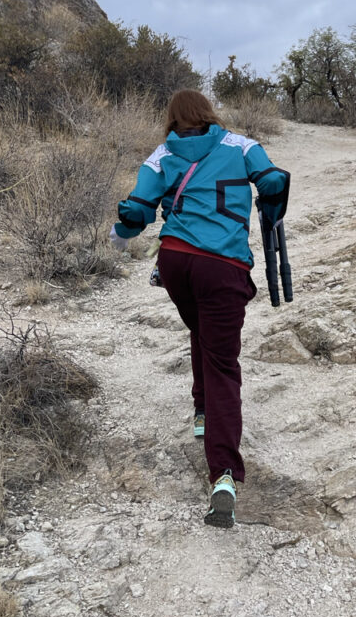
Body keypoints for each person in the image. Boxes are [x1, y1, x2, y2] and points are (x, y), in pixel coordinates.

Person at [110, 89, 289, 529]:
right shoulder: (242, 145)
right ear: (210, 113)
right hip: (222, 267)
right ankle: (223, 474)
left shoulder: (159, 155)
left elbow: (137, 210)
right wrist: (268, 191)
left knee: (202, 333)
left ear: (171, 118)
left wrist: (120, 233)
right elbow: (271, 180)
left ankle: (202, 411)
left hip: (175, 263)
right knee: (223, 362)